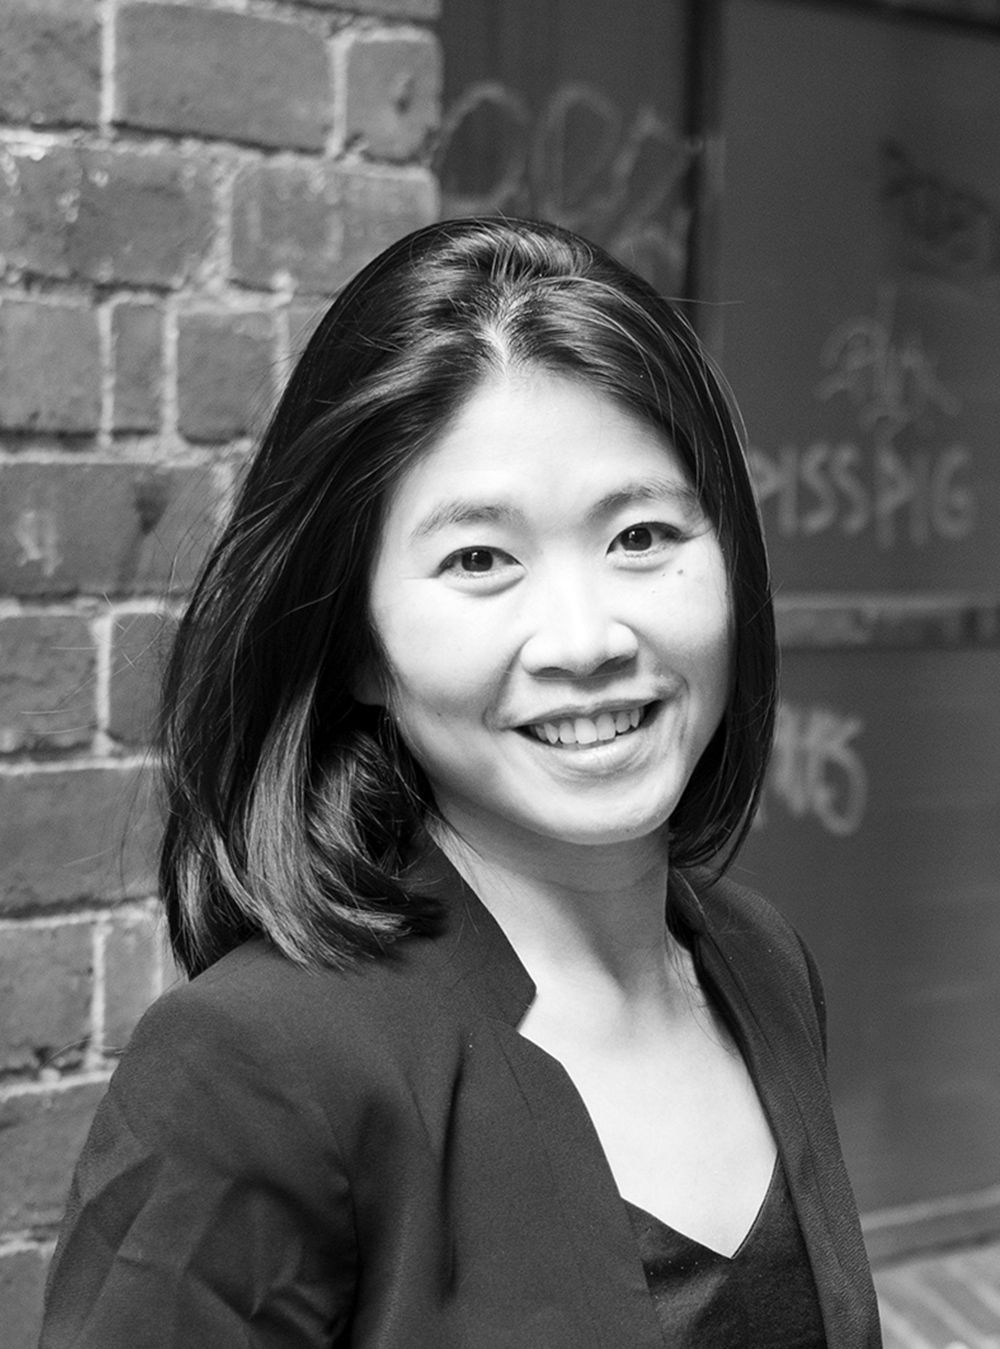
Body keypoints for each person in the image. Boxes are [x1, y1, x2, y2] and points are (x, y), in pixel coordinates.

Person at [40, 217, 881, 1347]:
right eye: (479, 558)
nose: (585, 637)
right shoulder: (256, 1067)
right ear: (358, 646)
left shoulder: (759, 961)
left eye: (640, 533)